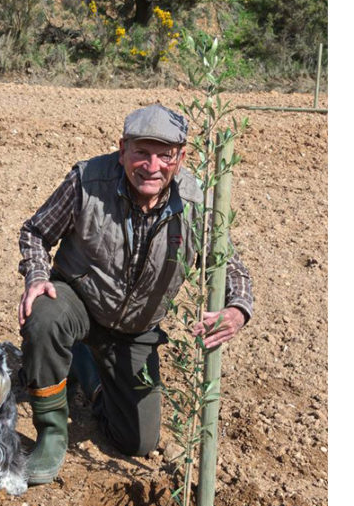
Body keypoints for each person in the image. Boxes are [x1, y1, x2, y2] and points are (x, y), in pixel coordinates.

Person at [16, 103, 253, 485]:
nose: (152, 165)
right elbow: (36, 232)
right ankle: (51, 434)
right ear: (123, 148)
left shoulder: (194, 204)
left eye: (165, 155)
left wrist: (238, 309)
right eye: (142, 152)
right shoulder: (88, 181)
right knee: (45, 316)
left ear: (181, 157)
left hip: (136, 330)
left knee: (138, 442)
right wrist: (37, 277)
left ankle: (87, 371)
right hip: (80, 299)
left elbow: (230, 266)